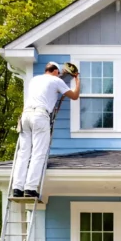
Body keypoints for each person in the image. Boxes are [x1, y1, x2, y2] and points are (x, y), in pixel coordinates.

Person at [12, 62, 80, 199]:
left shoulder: (34, 80)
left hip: (25, 116)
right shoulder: (55, 80)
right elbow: (74, 96)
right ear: (55, 71)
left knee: (23, 153)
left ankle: (17, 188)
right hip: (40, 116)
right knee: (38, 153)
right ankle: (30, 188)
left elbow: (47, 89)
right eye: (59, 72)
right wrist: (77, 80)